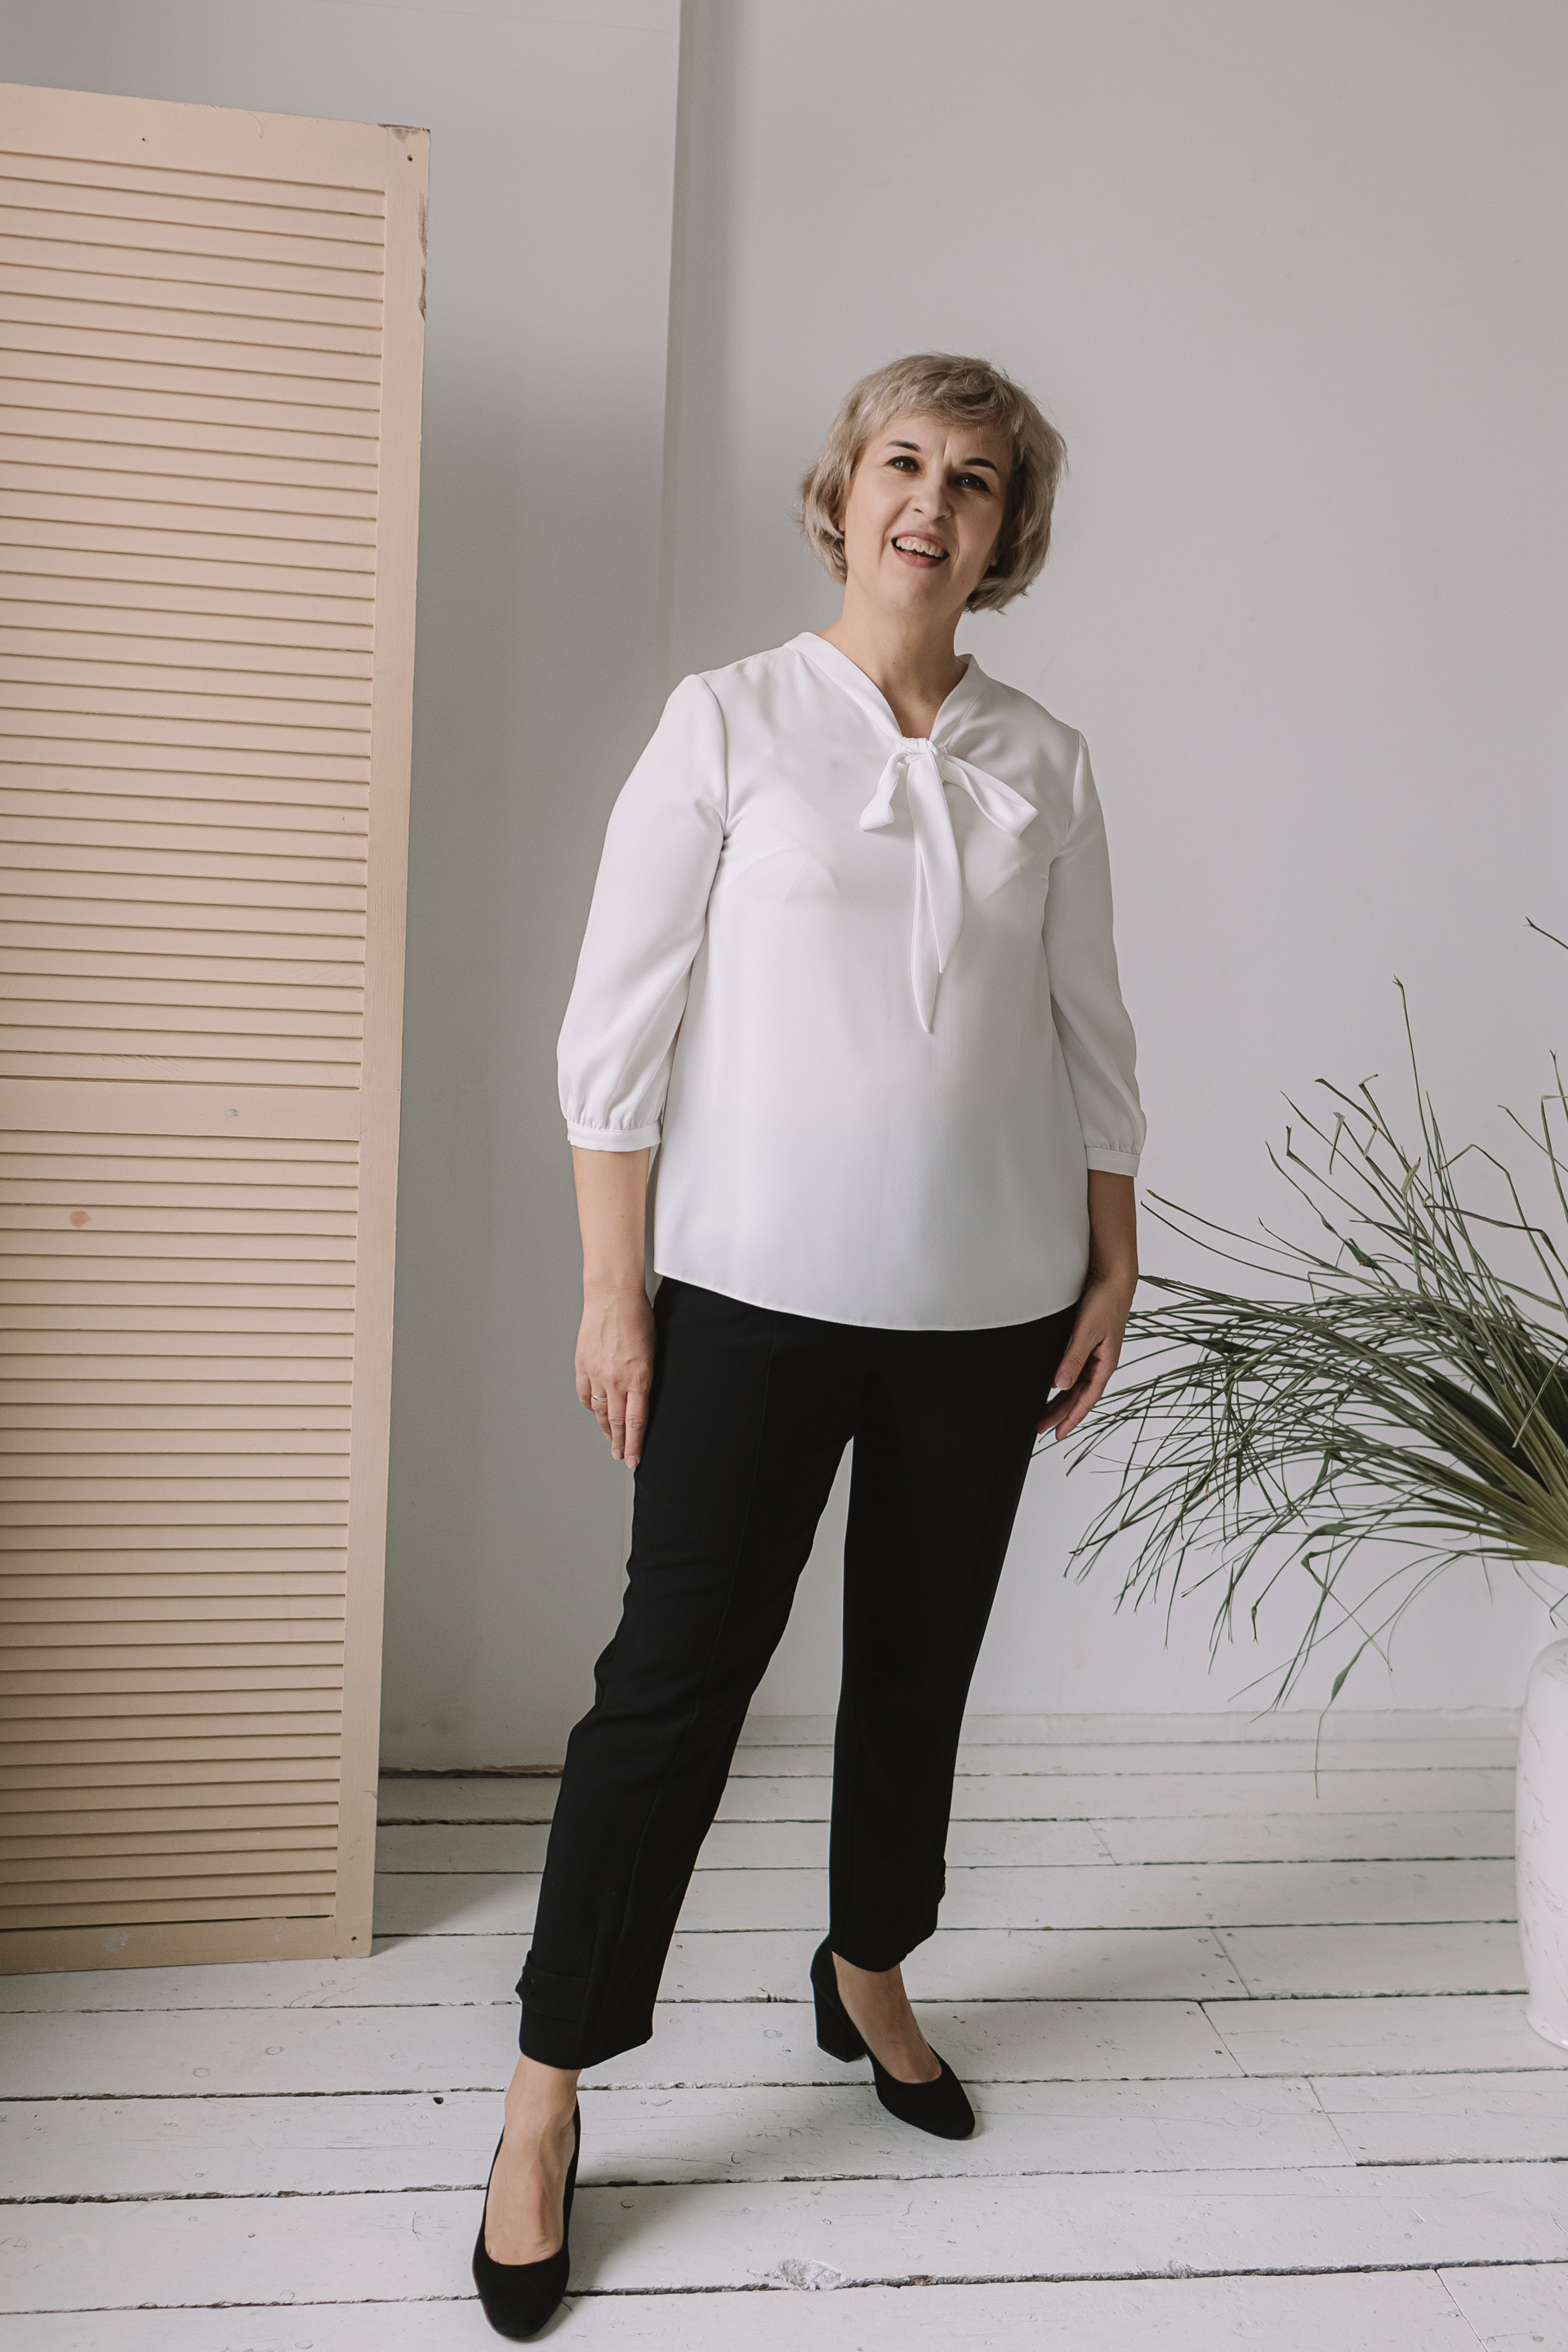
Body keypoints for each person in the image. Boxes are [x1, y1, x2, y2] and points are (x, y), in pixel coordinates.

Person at [472, 352, 1145, 2336]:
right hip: (749, 1295)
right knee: (669, 1690)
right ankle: (544, 2098)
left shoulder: (1048, 759)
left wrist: (1109, 1262)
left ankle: (869, 1967)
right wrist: (615, 1289)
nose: (933, 501)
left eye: (976, 479)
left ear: (1010, 532)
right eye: (902, 463)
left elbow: (1094, 1031)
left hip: (988, 1299)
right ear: (844, 493)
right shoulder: (728, 721)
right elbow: (614, 1027)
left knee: (919, 1666)